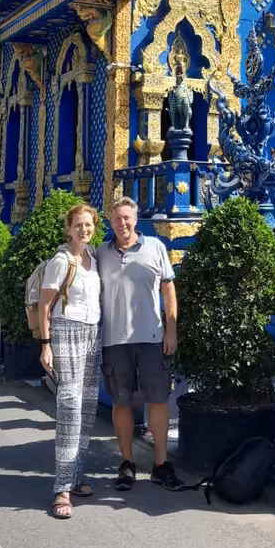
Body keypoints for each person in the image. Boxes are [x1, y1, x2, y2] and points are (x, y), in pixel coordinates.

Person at [97, 197, 183, 491]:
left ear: (136, 220)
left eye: (127, 218)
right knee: (121, 402)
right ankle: (127, 463)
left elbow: (169, 290)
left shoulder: (155, 247)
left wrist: (171, 330)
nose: (123, 223)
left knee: (157, 400)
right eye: (117, 218)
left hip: (152, 337)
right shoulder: (101, 254)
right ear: (110, 222)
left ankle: (160, 464)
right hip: (114, 339)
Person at [38, 204, 102, 520]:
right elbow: (45, 305)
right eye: (79, 225)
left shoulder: (95, 259)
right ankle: (61, 488)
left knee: (88, 407)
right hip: (66, 332)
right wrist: (45, 345)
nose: (84, 230)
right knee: (69, 407)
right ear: (69, 228)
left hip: (93, 335)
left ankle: (77, 475)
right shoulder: (61, 261)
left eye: (88, 225)